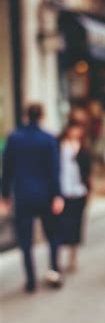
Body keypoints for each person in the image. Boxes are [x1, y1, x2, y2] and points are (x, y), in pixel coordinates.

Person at [0, 103, 64, 292]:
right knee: (52, 235)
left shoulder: (14, 138)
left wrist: (5, 195)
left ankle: (30, 280)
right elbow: (55, 170)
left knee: (25, 240)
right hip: (46, 195)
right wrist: (57, 195)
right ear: (42, 116)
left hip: (23, 195)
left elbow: (7, 170)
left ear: (26, 116)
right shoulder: (49, 139)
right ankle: (53, 271)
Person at [57, 120, 91, 272]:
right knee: (62, 225)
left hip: (78, 191)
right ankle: (58, 258)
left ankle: (73, 257)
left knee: (76, 224)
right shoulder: (59, 145)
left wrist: (88, 189)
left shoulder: (83, 147)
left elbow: (87, 170)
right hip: (62, 191)